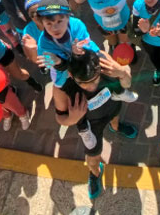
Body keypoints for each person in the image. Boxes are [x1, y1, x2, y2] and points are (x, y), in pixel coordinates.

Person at [51, 50, 138, 199]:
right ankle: (95, 173)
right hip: (90, 125)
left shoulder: (104, 61)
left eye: (95, 80)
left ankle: (115, 127)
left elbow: (127, 84)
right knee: (92, 158)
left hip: (112, 106)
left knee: (115, 119)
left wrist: (123, 73)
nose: (91, 87)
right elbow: (60, 118)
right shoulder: (61, 87)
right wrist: (72, 119)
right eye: (84, 83)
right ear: (71, 75)